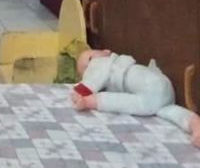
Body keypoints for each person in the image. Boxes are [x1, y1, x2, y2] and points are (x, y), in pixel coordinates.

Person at [72, 48, 200, 146]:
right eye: (85, 70)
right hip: (163, 85)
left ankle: (91, 102)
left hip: (149, 88)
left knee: (121, 101)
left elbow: (92, 80)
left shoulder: (100, 62)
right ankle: (195, 124)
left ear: (104, 53)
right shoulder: (117, 63)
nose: (89, 69)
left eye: (88, 63)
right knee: (168, 109)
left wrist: (79, 91)